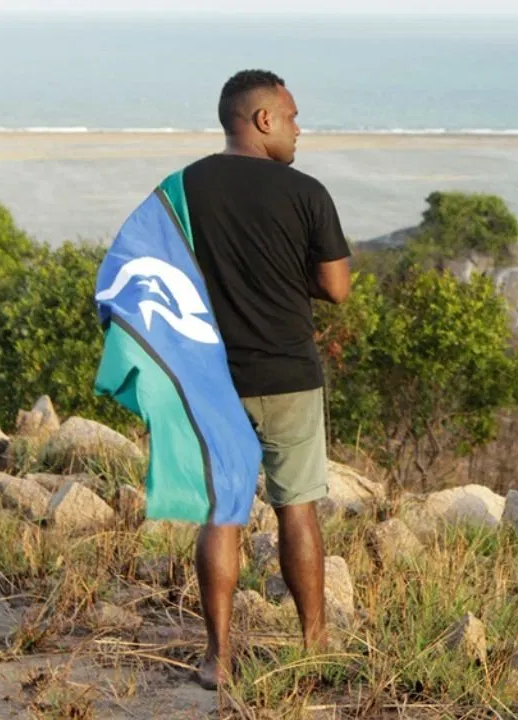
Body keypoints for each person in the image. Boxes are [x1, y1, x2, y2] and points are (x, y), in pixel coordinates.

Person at [182, 68, 352, 690]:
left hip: (214, 378)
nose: (299, 128)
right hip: (288, 375)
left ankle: (217, 657)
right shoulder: (305, 192)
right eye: (293, 116)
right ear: (262, 120)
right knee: (298, 510)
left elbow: (156, 270)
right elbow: (336, 287)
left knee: (222, 514)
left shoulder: (183, 188)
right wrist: (289, 276)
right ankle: (313, 644)